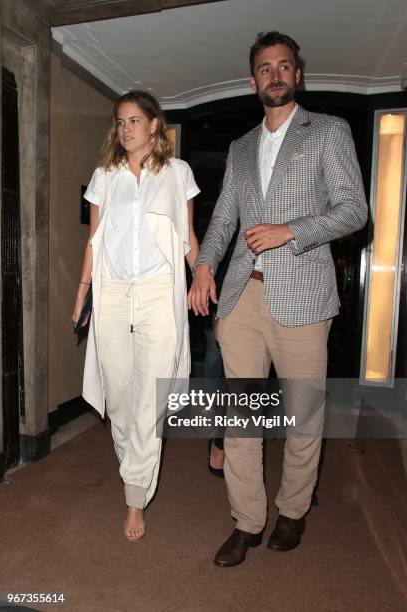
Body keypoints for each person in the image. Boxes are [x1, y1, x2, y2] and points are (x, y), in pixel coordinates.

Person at [188, 31, 367, 567]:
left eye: (284, 66)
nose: (275, 75)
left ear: (298, 74)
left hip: (305, 297)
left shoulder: (328, 132)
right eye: (265, 69)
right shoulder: (241, 148)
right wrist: (202, 265)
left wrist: (291, 230)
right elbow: (223, 220)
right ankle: (246, 521)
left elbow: (355, 210)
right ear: (253, 81)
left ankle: (292, 511)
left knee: (303, 414)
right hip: (243, 298)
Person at [72, 90, 199, 542]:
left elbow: (187, 238)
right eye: (120, 121)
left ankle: (134, 497)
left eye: (134, 120)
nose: (125, 128)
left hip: (157, 295)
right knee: (120, 397)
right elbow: (93, 240)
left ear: (153, 125)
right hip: (112, 295)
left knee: (149, 399)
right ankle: (134, 470)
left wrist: (200, 277)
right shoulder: (104, 176)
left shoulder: (177, 173)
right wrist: (83, 292)